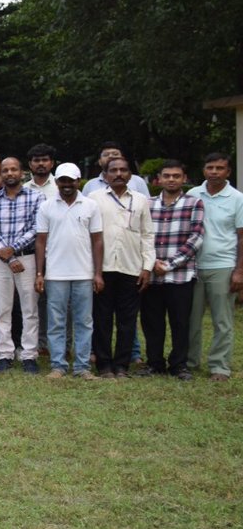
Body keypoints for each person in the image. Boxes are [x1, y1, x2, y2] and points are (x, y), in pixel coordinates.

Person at [36, 162, 104, 380]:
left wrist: (98, 273)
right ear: (57, 182)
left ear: (78, 181)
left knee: (84, 322)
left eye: (70, 181)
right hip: (55, 274)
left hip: (84, 273)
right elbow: (40, 241)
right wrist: (39, 273)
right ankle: (58, 365)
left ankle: (82, 367)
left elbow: (98, 241)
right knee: (56, 322)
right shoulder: (46, 206)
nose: (66, 185)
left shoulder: (90, 205)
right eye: (62, 180)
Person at [89, 157, 155, 378]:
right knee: (102, 319)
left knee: (127, 321)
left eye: (123, 170)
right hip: (103, 269)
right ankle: (104, 365)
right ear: (105, 174)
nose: (118, 174)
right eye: (113, 170)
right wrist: (93, 271)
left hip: (131, 268)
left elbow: (147, 235)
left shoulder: (141, 200)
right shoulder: (94, 199)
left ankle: (122, 366)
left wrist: (147, 267)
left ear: (130, 174)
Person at [143, 160, 203, 380]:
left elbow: (196, 238)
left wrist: (168, 265)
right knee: (152, 322)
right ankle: (154, 363)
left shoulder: (194, 203)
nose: (171, 179)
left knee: (180, 322)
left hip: (181, 275)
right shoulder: (147, 204)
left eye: (176, 176)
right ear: (159, 179)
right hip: (152, 276)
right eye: (167, 175)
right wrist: (153, 263)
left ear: (184, 179)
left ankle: (179, 365)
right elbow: (142, 236)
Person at [0, 157, 43, 373]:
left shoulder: (37, 197)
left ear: (22, 173)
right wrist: (8, 256)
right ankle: (5, 354)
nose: (9, 173)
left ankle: (29, 355)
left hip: (27, 258)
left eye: (13, 170)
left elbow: (37, 227)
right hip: (0, 260)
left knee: (29, 309)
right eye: (5, 170)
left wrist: (14, 250)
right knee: (2, 308)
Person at [187, 152, 243, 381]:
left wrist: (239, 271)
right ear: (204, 170)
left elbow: (242, 237)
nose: (214, 172)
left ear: (228, 172)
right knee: (191, 318)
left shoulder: (237, 198)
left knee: (222, 319)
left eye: (220, 168)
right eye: (210, 167)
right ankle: (189, 362)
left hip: (223, 265)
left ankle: (219, 366)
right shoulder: (192, 195)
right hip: (192, 265)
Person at [81, 141, 151, 197]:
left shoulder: (137, 181)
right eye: (106, 155)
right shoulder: (90, 185)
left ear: (123, 159)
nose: (111, 156)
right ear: (99, 162)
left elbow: (147, 207)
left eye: (115, 154)